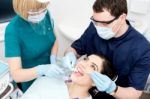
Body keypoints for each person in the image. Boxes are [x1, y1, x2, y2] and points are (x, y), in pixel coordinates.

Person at [61, 0, 150, 98]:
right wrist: (70, 54)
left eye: (105, 23)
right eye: (95, 21)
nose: (99, 27)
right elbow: (74, 49)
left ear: (122, 18)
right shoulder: (95, 27)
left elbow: (135, 93)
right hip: (85, 91)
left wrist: (113, 89)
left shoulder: (142, 49)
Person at [5, 0, 63, 92]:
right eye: (34, 11)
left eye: (43, 8)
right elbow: (16, 75)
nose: (40, 13)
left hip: (51, 73)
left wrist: (53, 59)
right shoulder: (12, 31)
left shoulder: (46, 14)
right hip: (30, 81)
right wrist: (41, 70)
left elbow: (54, 40)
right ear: (22, 9)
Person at [20, 54, 116, 99]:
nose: (83, 64)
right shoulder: (52, 77)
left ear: (95, 82)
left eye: (92, 66)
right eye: (86, 59)